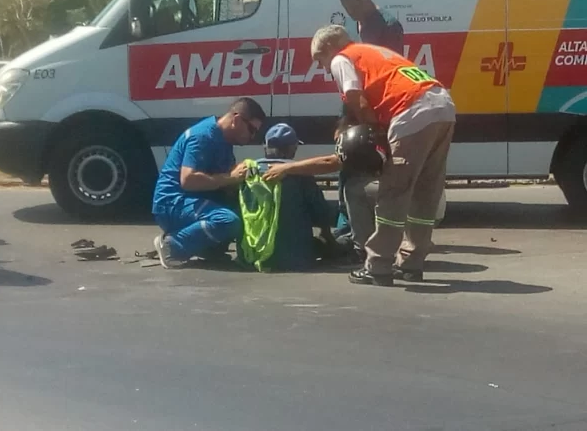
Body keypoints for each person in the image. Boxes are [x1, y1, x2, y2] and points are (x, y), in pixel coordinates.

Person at [263, 25, 455, 287]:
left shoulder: (343, 57)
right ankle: (412, 263)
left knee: (393, 192)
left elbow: (358, 101)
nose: (322, 69)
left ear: (328, 49)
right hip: (442, 106)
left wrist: (376, 136)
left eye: (319, 61)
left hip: (411, 111)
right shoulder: (375, 52)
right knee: (426, 190)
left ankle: (378, 265)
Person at [334, 0, 406, 258]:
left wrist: (372, 117)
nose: (350, 13)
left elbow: (390, 69)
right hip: (354, 102)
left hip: (374, 106)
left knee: (367, 165)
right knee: (345, 157)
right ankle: (347, 225)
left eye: (352, 6)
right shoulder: (355, 26)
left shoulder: (388, 25)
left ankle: (365, 232)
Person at [152, 97, 267, 269]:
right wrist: (231, 178)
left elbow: (224, 179)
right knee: (228, 220)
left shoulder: (225, 141)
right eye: (251, 130)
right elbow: (188, 180)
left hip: (194, 200)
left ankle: (207, 248)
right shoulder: (203, 136)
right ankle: (172, 245)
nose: (253, 136)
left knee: (247, 210)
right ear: (236, 119)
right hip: (172, 203)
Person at [252, 123, 345, 271]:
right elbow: (321, 213)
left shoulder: (248, 171)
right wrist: (328, 239)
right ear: (292, 148)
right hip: (295, 257)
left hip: (254, 254)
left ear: (265, 146)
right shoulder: (300, 173)